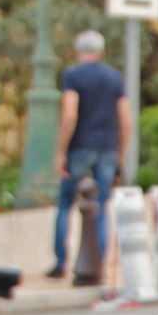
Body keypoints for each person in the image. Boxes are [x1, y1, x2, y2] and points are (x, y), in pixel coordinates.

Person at [53, 29, 129, 280]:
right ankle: (99, 263)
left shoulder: (73, 75)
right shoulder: (114, 78)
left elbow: (69, 114)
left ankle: (61, 262)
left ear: (78, 51)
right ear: (101, 51)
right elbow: (126, 121)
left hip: (79, 147)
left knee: (65, 202)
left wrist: (60, 151)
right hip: (108, 147)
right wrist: (121, 155)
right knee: (101, 204)